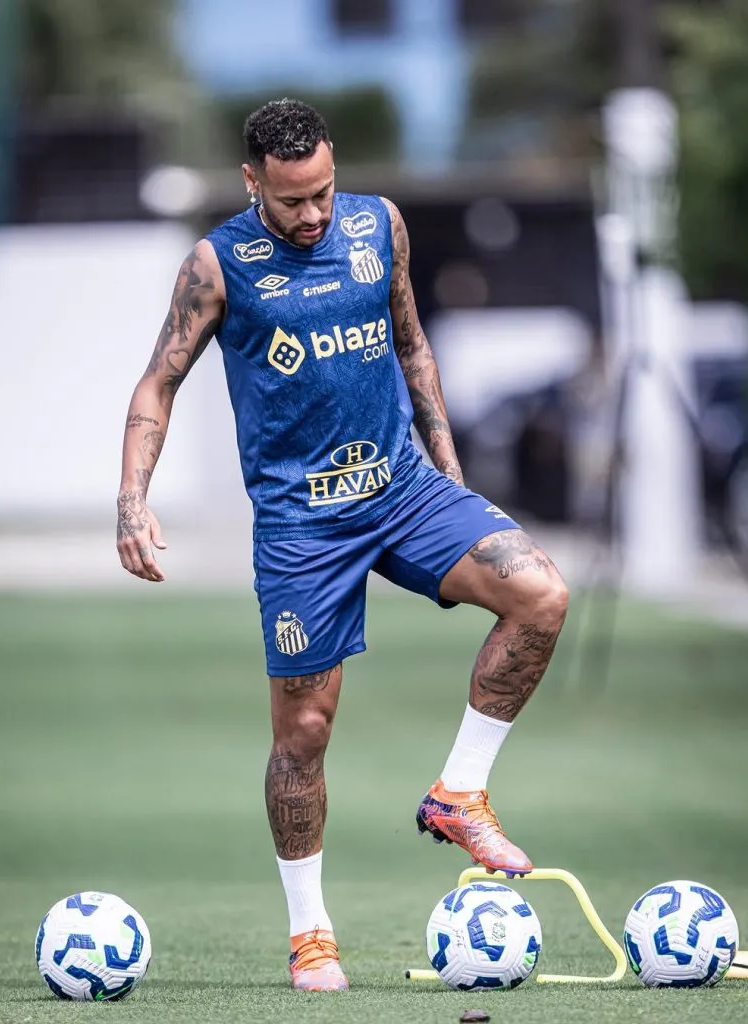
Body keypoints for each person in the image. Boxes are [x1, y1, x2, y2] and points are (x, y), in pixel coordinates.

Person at [116, 98, 569, 992]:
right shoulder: (216, 265)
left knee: (542, 596)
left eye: (322, 191)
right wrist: (132, 501)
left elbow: (410, 345)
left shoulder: (378, 226)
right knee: (305, 731)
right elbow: (157, 383)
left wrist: (450, 474)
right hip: (301, 527)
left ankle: (458, 794)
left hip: (402, 490)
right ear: (253, 183)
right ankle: (311, 934)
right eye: (292, 201)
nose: (314, 214)